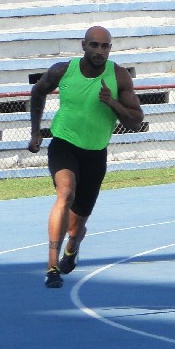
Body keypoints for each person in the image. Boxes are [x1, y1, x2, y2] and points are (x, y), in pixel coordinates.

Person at [28, 26, 144, 289]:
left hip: (95, 153)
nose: (99, 51)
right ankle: (52, 266)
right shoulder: (63, 70)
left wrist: (112, 102)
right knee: (65, 193)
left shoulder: (119, 76)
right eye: (94, 45)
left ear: (110, 49)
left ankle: (73, 246)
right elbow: (38, 91)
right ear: (84, 45)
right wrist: (36, 132)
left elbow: (136, 120)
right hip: (64, 144)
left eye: (104, 46)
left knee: (76, 225)